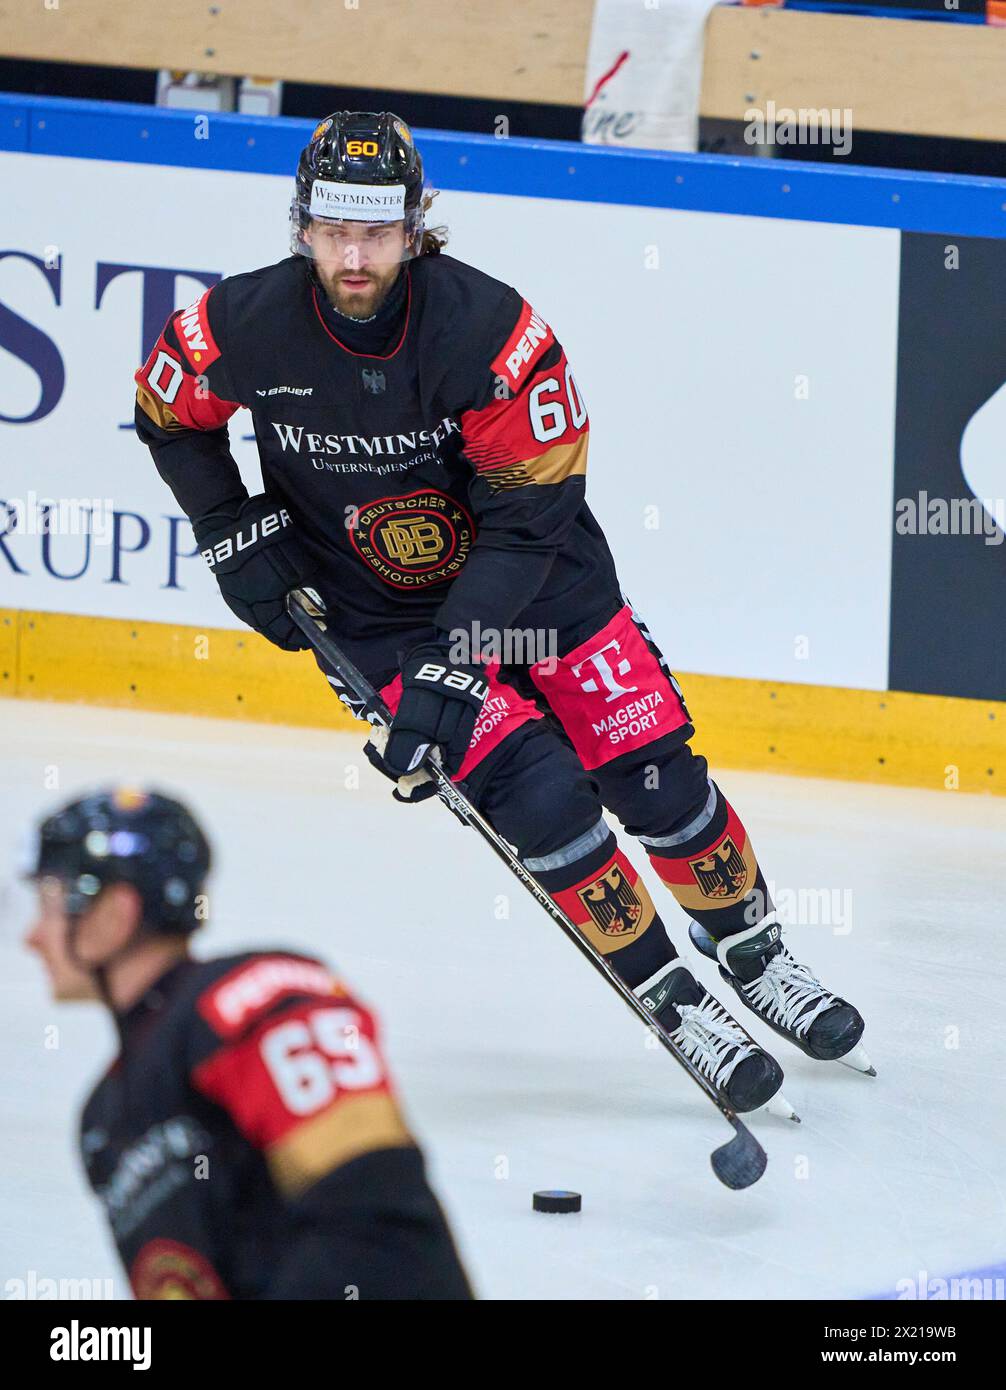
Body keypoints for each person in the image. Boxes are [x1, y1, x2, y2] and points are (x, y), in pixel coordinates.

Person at [134, 111, 871, 1115]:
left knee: (654, 780)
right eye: (336, 229)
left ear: (415, 226)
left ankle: (752, 949)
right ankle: (668, 991)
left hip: (547, 587)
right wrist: (228, 527)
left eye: (379, 231)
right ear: (301, 224)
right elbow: (168, 414)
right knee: (540, 803)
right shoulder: (241, 326)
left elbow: (528, 522)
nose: (356, 255)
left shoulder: (489, 330)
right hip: (374, 611)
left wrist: (458, 656)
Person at [24, 786, 473, 1300]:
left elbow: (382, 1228)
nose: (32, 936)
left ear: (114, 915)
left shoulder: (257, 999)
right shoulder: (104, 1120)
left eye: (50, 903)